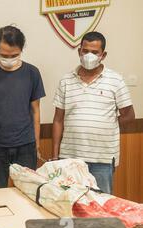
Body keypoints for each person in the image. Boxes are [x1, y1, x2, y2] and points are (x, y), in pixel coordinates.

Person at [52, 31, 135, 194]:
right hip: (69, 158)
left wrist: (107, 124)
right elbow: (58, 120)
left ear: (103, 55)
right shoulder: (66, 80)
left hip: (102, 159)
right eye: (85, 51)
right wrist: (55, 157)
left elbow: (129, 116)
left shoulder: (115, 80)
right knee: (70, 206)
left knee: (100, 208)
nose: (89, 55)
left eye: (95, 52)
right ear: (79, 51)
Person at [0, 25, 45, 189]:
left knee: (28, 193)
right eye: (4, 55)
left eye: (15, 55)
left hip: (26, 145)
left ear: (21, 50)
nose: (9, 59)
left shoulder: (32, 73)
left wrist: (36, 144)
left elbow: (36, 111)